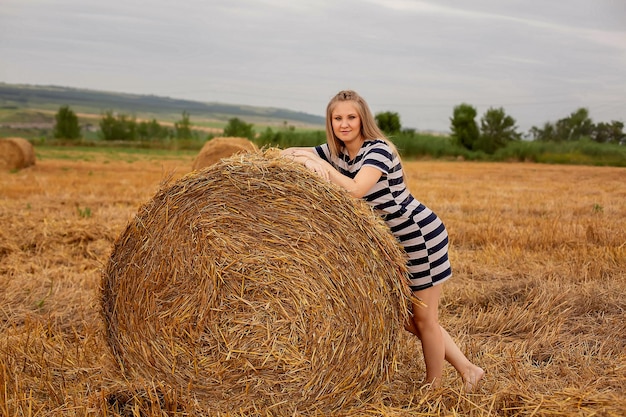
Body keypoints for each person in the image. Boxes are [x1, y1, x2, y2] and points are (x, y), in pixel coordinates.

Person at [281, 90, 485, 391]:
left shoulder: (377, 150)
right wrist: (298, 155)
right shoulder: (338, 153)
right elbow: (283, 153)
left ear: (363, 118)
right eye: (338, 118)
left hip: (418, 235)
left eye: (351, 117)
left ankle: (434, 388)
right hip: (392, 246)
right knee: (405, 317)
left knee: (424, 318)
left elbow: (355, 189)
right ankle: (468, 369)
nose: (345, 124)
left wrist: (320, 166)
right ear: (330, 121)